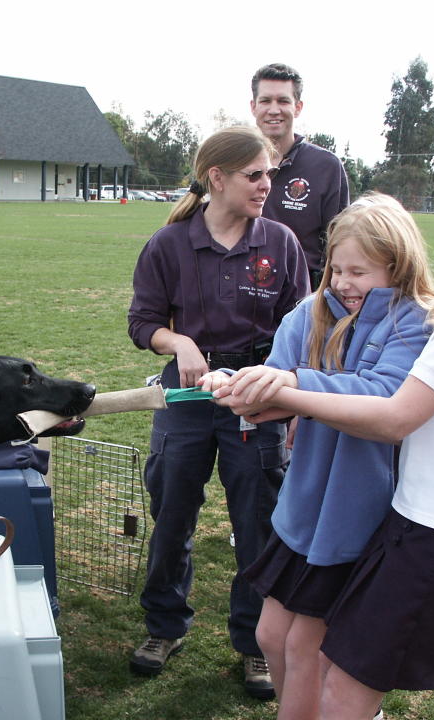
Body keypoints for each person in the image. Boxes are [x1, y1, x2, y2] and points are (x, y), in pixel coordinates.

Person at [209, 152, 434, 719]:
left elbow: (393, 411)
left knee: (336, 681)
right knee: (313, 663)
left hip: (431, 530)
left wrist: (288, 389)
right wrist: (253, 393)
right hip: (407, 520)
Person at [201, 194, 434, 720]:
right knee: (270, 634)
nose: (344, 283)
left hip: (358, 518)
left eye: (361, 271)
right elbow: (277, 374)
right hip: (304, 508)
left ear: (397, 265)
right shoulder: (309, 314)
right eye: (337, 268)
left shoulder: (412, 322)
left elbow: (384, 394)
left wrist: (291, 384)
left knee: (305, 647)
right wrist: (242, 386)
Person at [126, 125, 310, 699]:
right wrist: (178, 343)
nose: (266, 185)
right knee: (172, 510)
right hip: (186, 397)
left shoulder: (280, 242)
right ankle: (164, 625)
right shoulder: (169, 244)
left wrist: (279, 394)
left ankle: (255, 643)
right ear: (217, 178)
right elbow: (142, 323)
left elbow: (300, 328)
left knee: (258, 520)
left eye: (270, 174)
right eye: (254, 175)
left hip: (258, 394)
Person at [252, 63, 350, 289]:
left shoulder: (326, 167)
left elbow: (340, 245)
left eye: (283, 101)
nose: (274, 110)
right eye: (265, 101)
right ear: (253, 106)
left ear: (297, 107)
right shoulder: (233, 163)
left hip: (301, 301)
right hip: (242, 296)